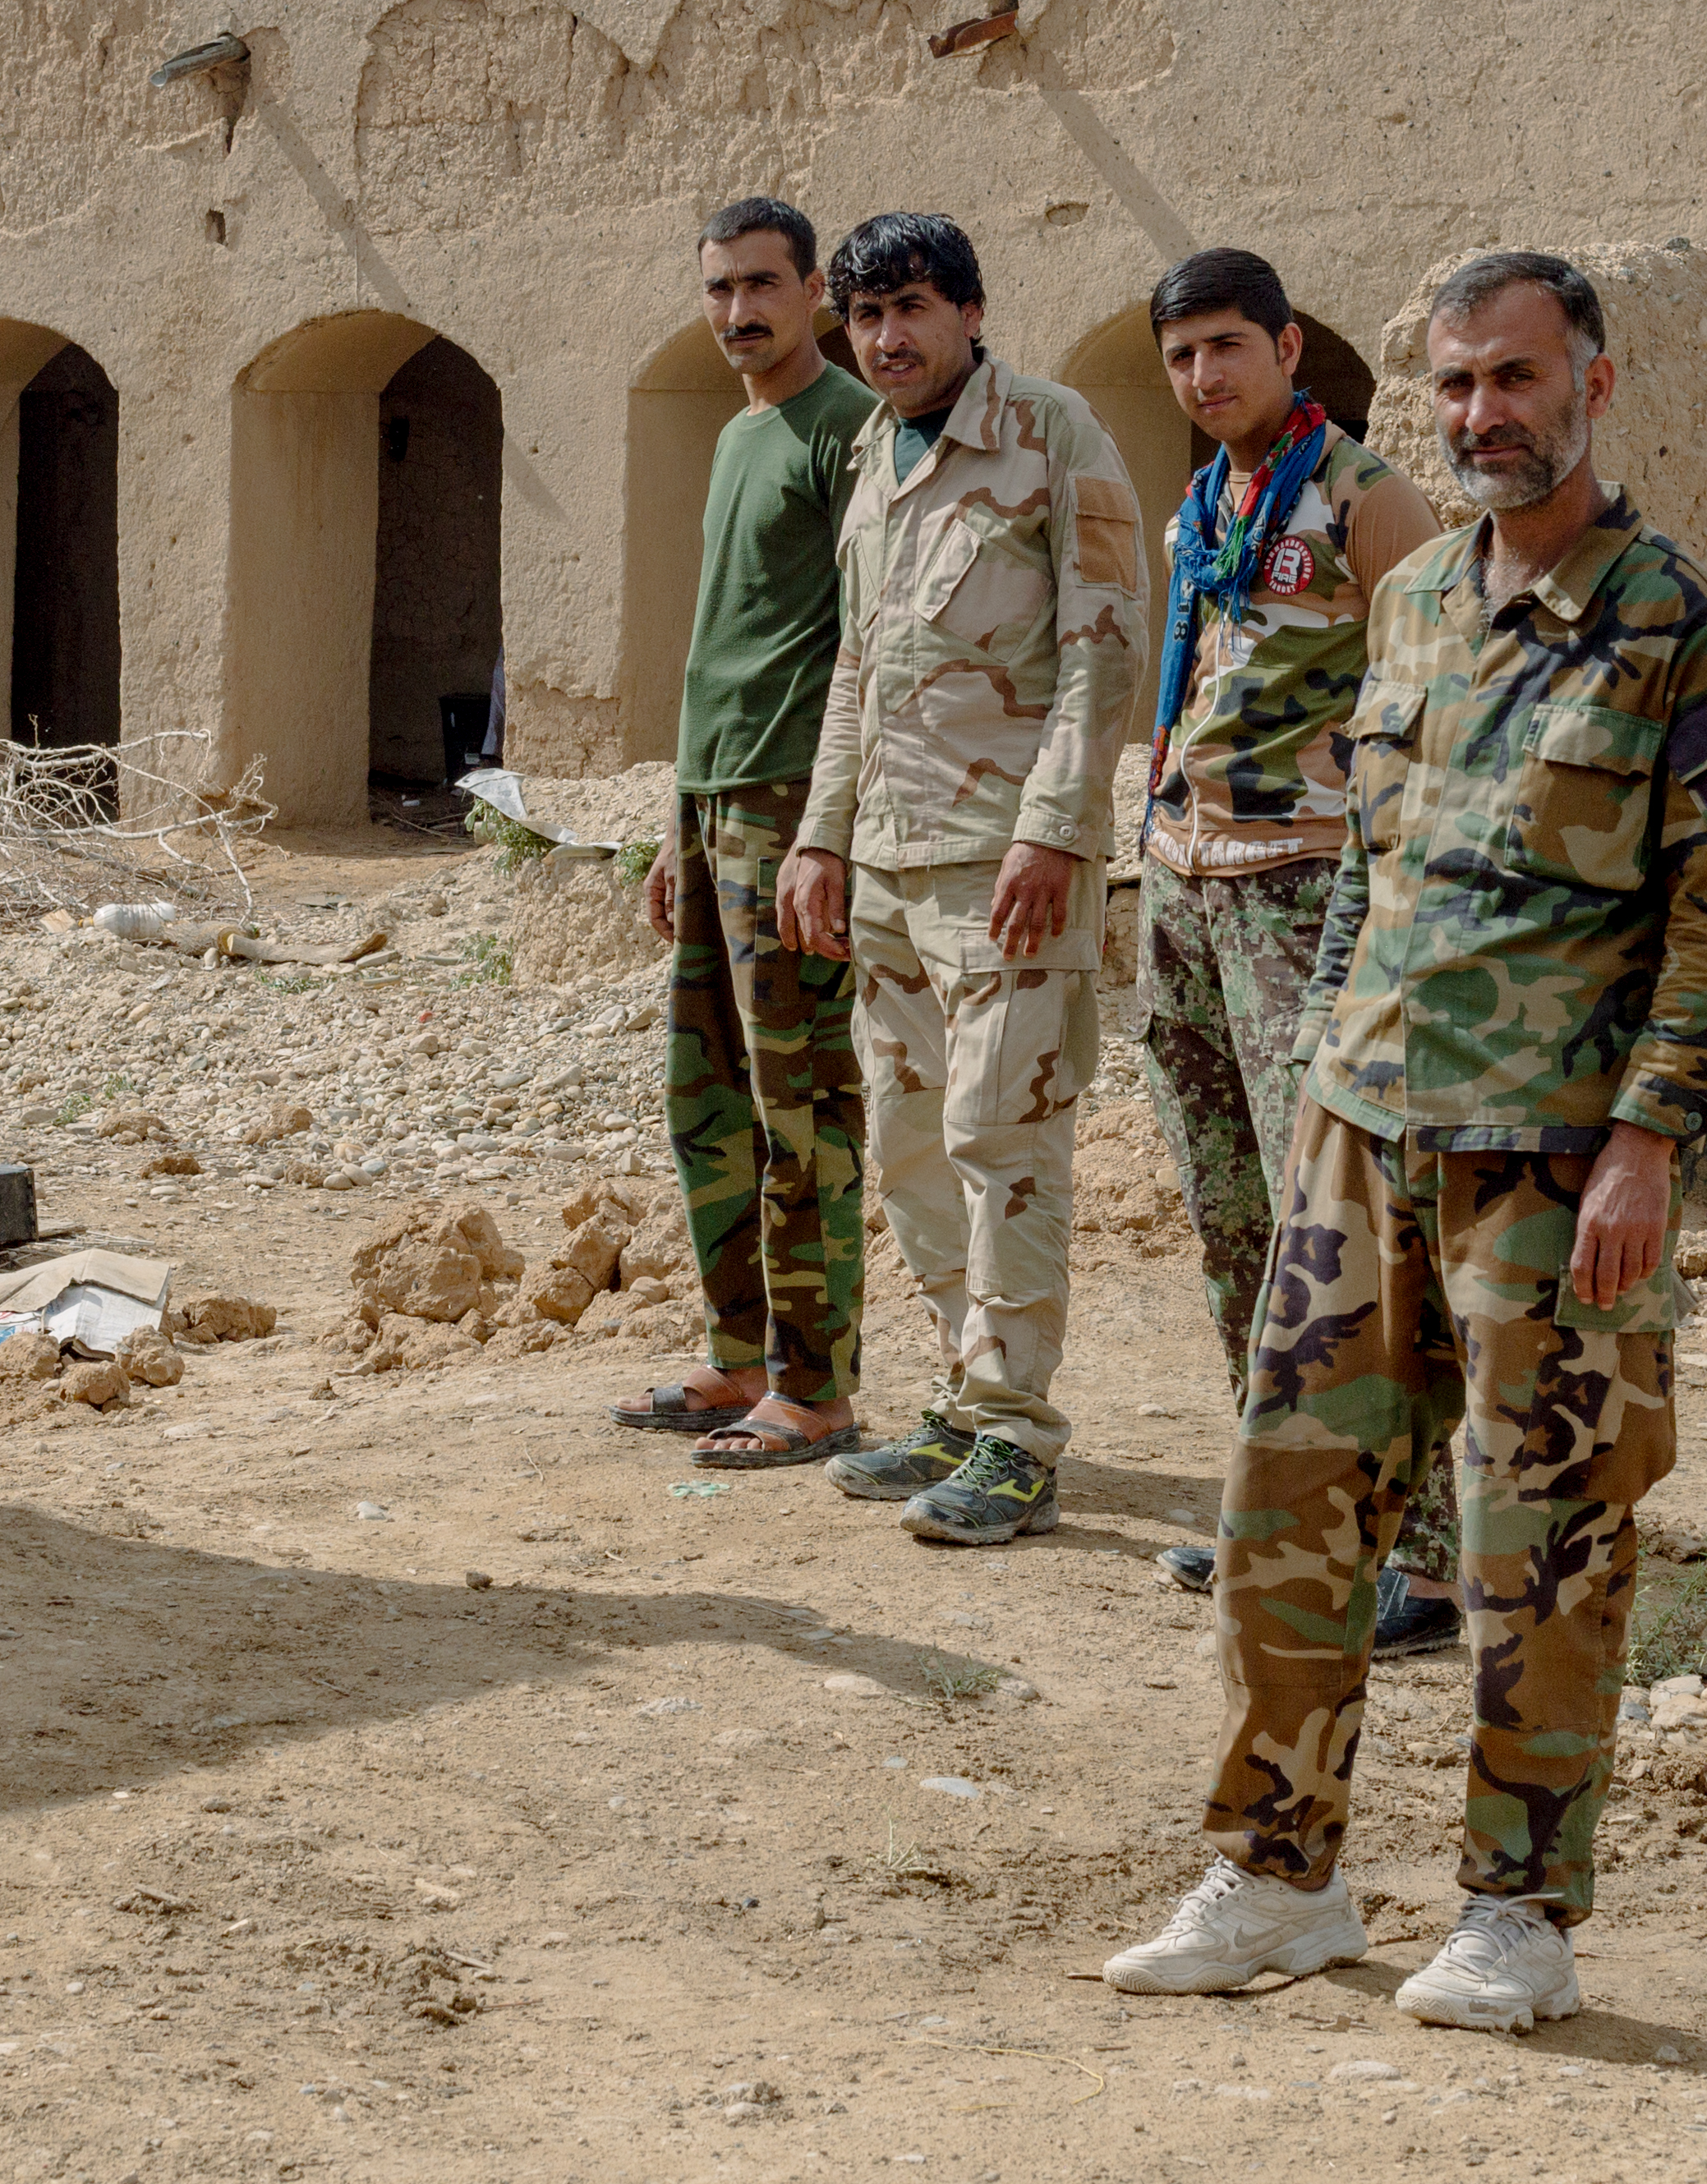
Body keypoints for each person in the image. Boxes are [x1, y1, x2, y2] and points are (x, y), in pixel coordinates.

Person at [1105, 249, 1707, 2030]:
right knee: (1285, 1516)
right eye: (1456, 385)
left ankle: (1519, 1914)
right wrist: (1325, 1058)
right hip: (1365, 1138)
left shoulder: (1676, 625)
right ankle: (1277, 1878)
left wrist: (1647, 1145)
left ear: (1593, 387)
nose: (1482, 414)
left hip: (1553, 1169)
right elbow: (1365, 878)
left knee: (1541, 1538)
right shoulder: (1405, 613)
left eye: (1515, 379)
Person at [777, 212, 1144, 1547]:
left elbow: (1108, 649)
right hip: (888, 862)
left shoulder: (1053, 433)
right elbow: (858, 672)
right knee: (911, 1144)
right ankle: (960, 1391)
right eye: (866, 318)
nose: (887, 339)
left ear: (971, 314)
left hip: (1007, 866)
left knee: (1007, 1142)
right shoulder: (877, 456)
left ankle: (1018, 1436)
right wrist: (822, 837)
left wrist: (1057, 832)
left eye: (913, 309)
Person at [1124, 251, 1452, 1658]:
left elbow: (1438, 698)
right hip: (1188, 886)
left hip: (1309, 891)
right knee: (1234, 1228)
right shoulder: (1211, 500)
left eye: (1226, 348)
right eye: (1182, 356)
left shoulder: (1370, 502)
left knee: (1340, 1231)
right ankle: (1287, 1513)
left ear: (1288, 344)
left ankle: (1425, 1557)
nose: (1205, 378)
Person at [611, 200, 883, 1472]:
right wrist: (677, 818)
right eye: (719, 289)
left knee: (802, 1106)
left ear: (816, 290)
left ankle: (816, 1386)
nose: (738, 312)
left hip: (792, 811)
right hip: (715, 803)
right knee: (705, 1098)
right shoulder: (737, 436)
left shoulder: (850, 433)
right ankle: (738, 1358)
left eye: (762, 285)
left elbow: (864, 646)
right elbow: (717, 645)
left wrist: (826, 828)